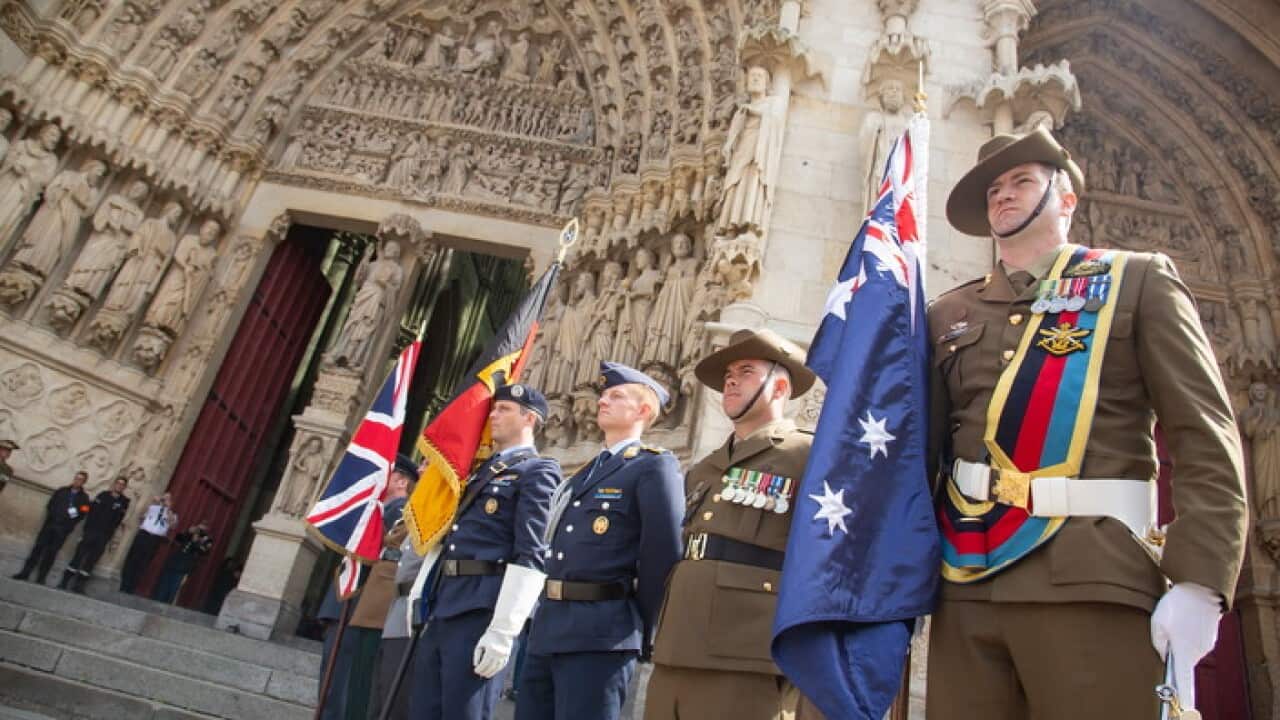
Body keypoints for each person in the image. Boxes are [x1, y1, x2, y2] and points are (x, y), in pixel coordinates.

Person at [926, 126, 1248, 718]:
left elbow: (1203, 434)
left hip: (1093, 576)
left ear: (1066, 200)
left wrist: (1201, 582)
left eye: (1023, 181)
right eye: (994, 187)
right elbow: (924, 454)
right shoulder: (948, 313)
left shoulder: (1138, 280)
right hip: (967, 579)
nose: (1004, 195)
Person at [645, 329, 817, 719]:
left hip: (745, 655)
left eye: (746, 370)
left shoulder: (807, 455)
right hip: (676, 646)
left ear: (779, 388)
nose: (732, 380)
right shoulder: (705, 467)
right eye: (727, 376)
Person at [516, 363, 684, 720]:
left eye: (616, 396)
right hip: (550, 626)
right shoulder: (586, 471)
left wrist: (636, 624)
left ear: (643, 411)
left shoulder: (652, 466)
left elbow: (663, 554)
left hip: (602, 632)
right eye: (604, 395)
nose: (603, 401)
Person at [410, 383, 561, 720]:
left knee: (464, 712)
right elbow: (453, 535)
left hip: (482, 609)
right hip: (446, 601)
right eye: (494, 408)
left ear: (529, 419)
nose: (493, 415)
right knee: (424, 710)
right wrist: (422, 588)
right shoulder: (482, 470)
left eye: (504, 409)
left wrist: (504, 630)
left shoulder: (538, 471)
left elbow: (531, 554)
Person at [337, 454, 417, 720]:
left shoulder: (402, 509)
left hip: (385, 603)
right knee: (358, 682)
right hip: (375, 602)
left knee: (368, 685)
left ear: (401, 480)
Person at [12, 470, 91, 584]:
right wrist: (52, 517)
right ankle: (25, 573)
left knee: (51, 553)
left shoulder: (84, 498)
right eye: (76, 478)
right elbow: (51, 504)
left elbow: (83, 513)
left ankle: (41, 577)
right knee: (37, 550)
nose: (77, 481)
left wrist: (69, 525)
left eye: (80, 480)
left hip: (63, 530)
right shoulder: (62, 491)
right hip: (50, 525)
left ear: (83, 482)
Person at [58, 474, 131, 593]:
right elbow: (91, 513)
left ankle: (79, 586)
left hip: (104, 535)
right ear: (114, 484)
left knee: (91, 560)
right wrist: (86, 531)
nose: (119, 486)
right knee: (78, 555)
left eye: (122, 485)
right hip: (91, 531)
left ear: (124, 487)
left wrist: (110, 536)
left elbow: (117, 520)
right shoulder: (103, 495)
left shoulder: (124, 502)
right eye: (118, 483)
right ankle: (64, 582)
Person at [119, 492, 177, 594]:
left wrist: (167, 509)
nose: (164, 501)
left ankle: (132, 587)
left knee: (144, 562)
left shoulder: (172, 514)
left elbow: (172, 525)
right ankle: (124, 584)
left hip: (155, 539)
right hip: (143, 535)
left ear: (171, 502)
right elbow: (140, 516)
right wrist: (152, 503)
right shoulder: (153, 508)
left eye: (168, 499)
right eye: (164, 498)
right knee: (133, 559)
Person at [152, 521, 213, 604]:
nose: (201, 528)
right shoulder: (189, 533)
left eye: (204, 526)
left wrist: (197, 542)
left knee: (174, 587)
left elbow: (204, 552)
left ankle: (166, 604)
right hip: (175, 560)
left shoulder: (207, 539)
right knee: (164, 584)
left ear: (207, 529)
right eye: (200, 525)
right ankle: (157, 600)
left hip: (185, 565)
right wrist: (188, 532)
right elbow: (177, 538)